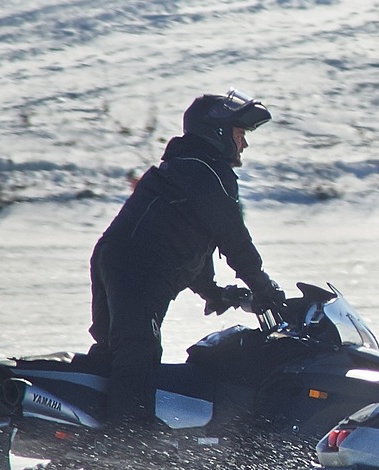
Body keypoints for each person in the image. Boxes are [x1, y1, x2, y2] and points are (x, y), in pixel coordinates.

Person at [87, 89, 285, 432]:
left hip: (121, 260)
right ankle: (126, 441)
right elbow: (233, 240)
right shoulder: (205, 174)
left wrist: (214, 292)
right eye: (240, 135)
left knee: (114, 352)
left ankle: (89, 424)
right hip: (137, 267)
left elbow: (189, 241)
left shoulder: (188, 169)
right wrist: (265, 289)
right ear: (219, 134)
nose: (244, 145)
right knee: (139, 350)